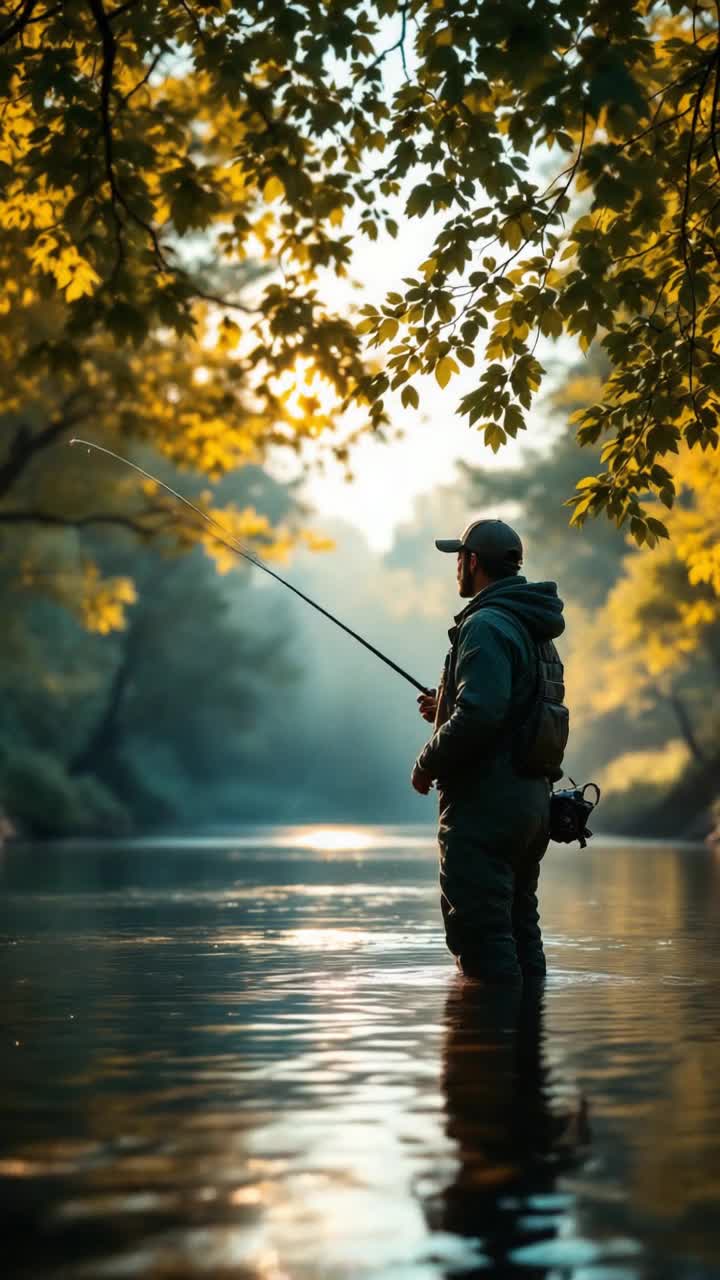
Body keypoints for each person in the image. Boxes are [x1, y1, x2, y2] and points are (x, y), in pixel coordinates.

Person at [411, 518, 567, 981]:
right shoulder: (532, 625)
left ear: (473, 561)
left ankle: (492, 1025)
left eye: (459, 557)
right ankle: (527, 1023)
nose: (457, 567)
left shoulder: (484, 624)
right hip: (530, 805)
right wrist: (446, 705)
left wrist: (425, 763)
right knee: (520, 931)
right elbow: (514, 704)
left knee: (481, 938)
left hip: (485, 808)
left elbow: (480, 715)